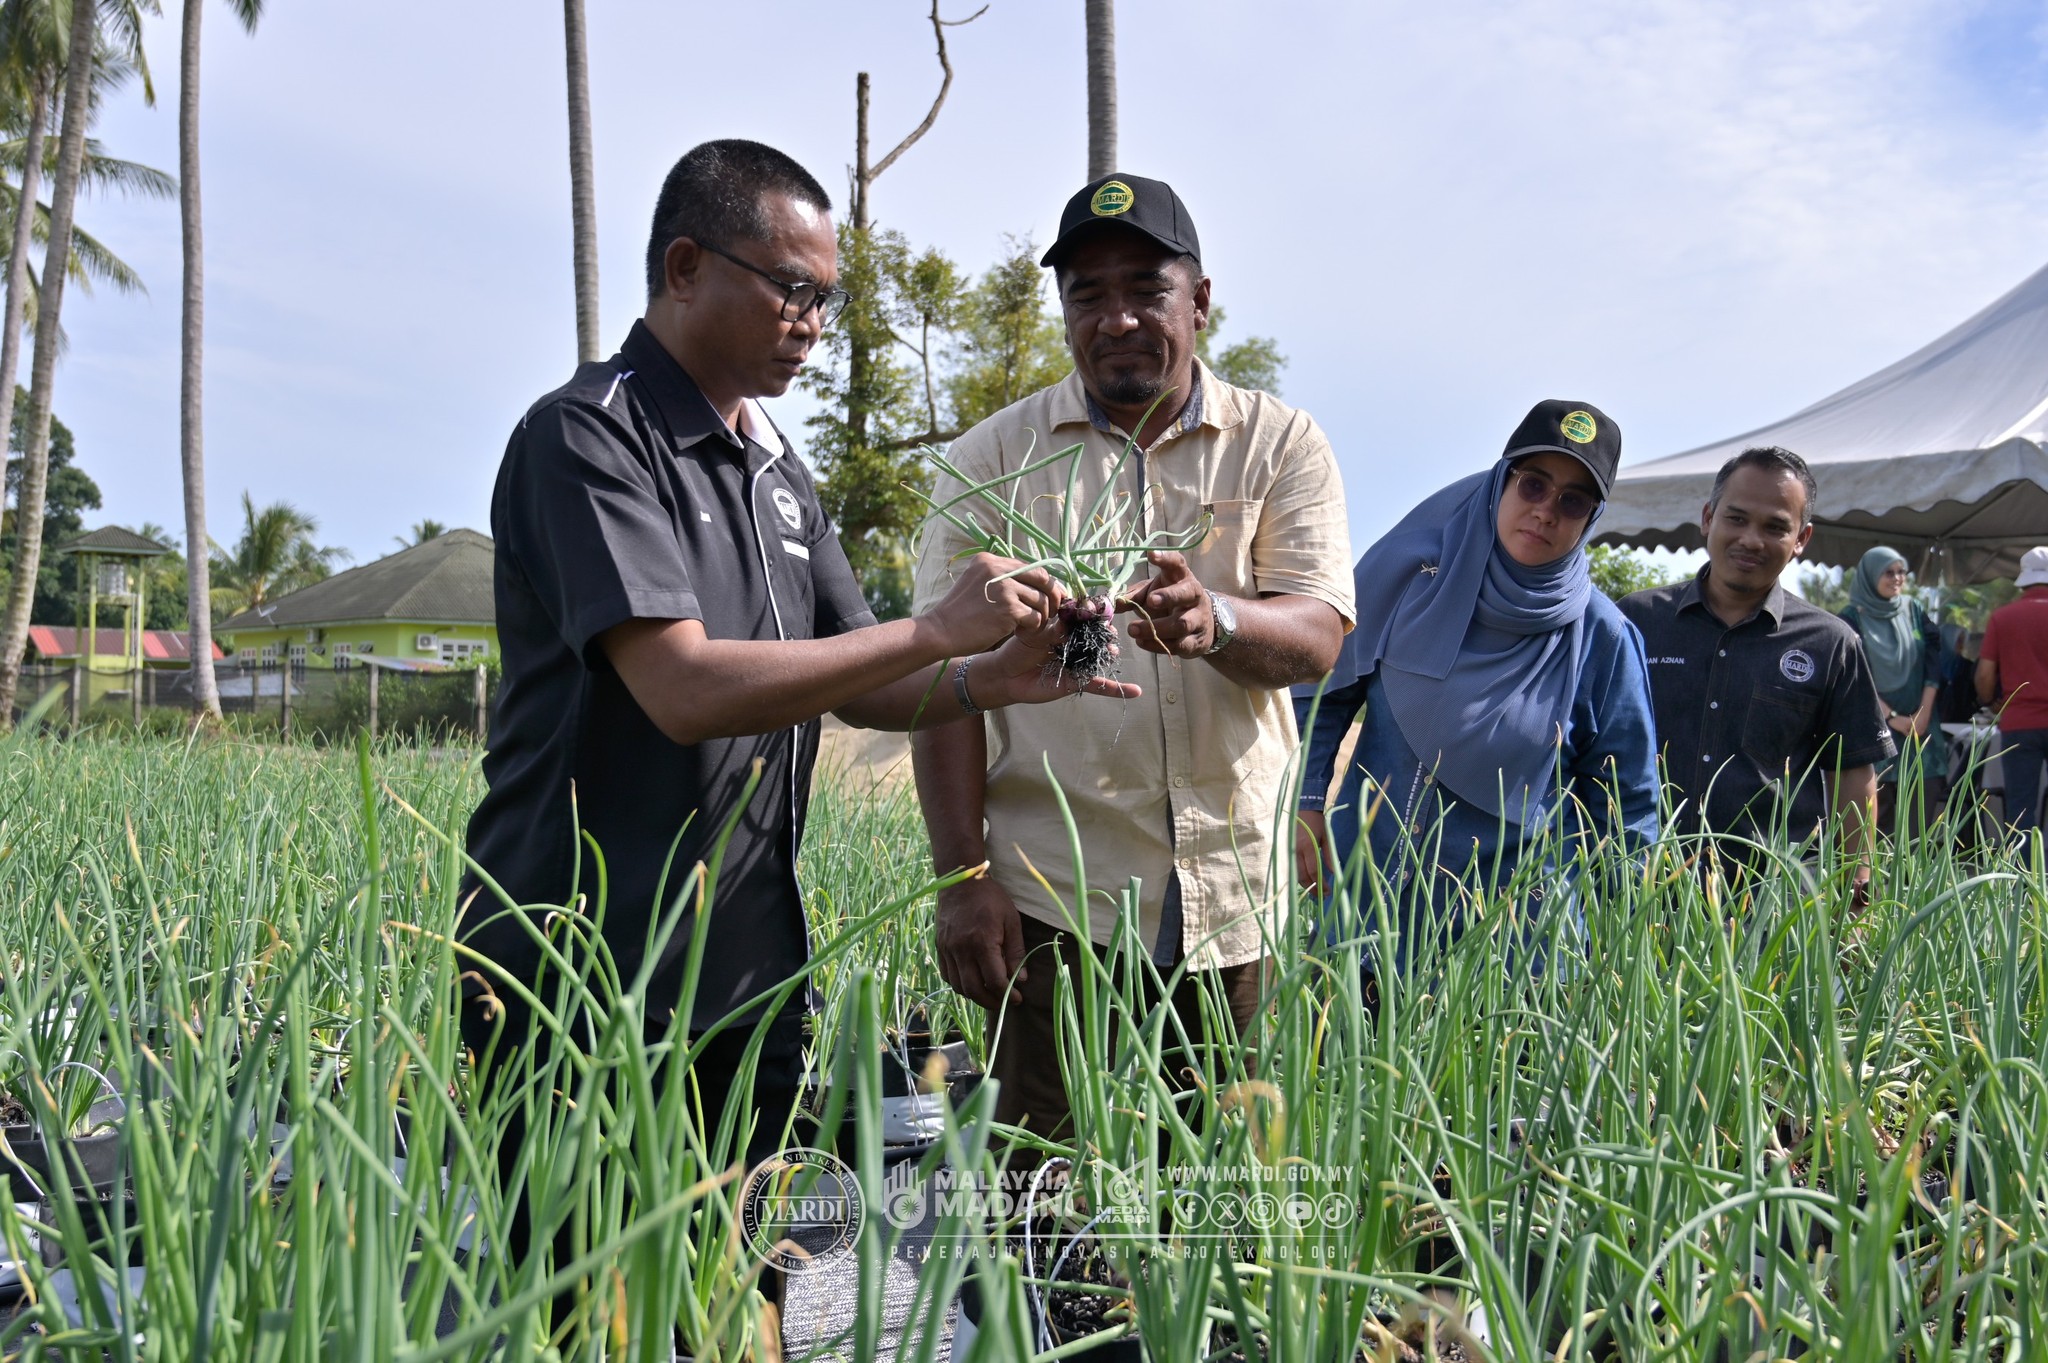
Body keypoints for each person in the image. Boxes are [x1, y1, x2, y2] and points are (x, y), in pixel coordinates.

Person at [458, 141, 1135, 1321]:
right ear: (684, 267)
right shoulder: (588, 438)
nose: (813, 324)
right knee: (578, 1312)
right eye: (790, 289)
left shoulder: (776, 471)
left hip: (745, 967)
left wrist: (991, 679)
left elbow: (858, 677)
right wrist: (938, 629)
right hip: (578, 966)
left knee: (737, 1304)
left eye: (827, 297)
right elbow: (681, 687)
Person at [909, 173, 1355, 1143]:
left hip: (1235, 903)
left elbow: (1320, 632)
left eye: (1146, 290)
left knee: (1224, 1185)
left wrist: (1218, 623)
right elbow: (941, 686)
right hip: (1054, 907)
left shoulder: (1278, 444)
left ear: (1199, 301)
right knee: (1045, 1188)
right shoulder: (990, 461)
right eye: (1087, 294)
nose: (1116, 318)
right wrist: (960, 876)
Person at [1291, 400, 1660, 969]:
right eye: (1533, 484)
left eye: (1572, 501)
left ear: (1592, 518)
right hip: (1367, 916)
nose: (1545, 511)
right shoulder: (1409, 582)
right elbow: (1321, 693)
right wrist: (1307, 801)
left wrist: (1617, 943)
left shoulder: (1602, 637)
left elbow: (1628, 803)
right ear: (1500, 482)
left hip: (1513, 949)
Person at [1618, 447, 1892, 898]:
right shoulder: (1637, 620)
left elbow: (1852, 773)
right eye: (1737, 518)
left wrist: (1857, 888)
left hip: (1772, 899)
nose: (1751, 539)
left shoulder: (1830, 643)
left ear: (1801, 538)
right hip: (1638, 889)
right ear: (1708, 518)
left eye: (1775, 527)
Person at [1838, 547, 1945, 833]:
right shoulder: (1850, 619)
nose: (1897, 578)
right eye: (1888, 572)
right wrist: (1891, 717)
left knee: (1918, 828)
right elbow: (1853, 675)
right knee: (1876, 828)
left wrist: (1923, 714)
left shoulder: (1914, 610)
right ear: (1870, 575)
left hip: (1920, 733)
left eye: (1901, 572)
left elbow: (1934, 662)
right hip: (1875, 733)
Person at [1977, 546, 2048, 832]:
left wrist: (1990, 702)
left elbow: (1984, 674)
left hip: (2019, 722)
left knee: (2020, 809)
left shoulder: (2002, 617)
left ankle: (2022, 863)